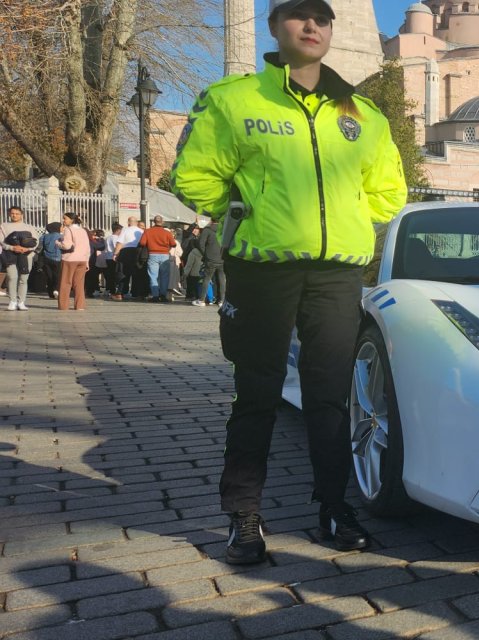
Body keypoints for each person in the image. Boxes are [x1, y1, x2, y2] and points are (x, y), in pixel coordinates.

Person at [172, 0, 408, 565]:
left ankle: (332, 506)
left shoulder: (364, 114)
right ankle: (244, 516)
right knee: (256, 393)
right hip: (263, 269)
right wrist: (246, 215)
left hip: (336, 273)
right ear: (274, 26)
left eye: (322, 18)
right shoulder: (235, 100)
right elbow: (192, 174)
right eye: (299, 16)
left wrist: (350, 218)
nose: (312, 26)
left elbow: (389, 191)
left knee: (330, 399)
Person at [1, 206, 39, 311]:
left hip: (26, 256)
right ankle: (12, 301)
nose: (14, 215)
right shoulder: (4, 226)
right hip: (10, 255)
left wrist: (26, 249)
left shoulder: (29, 227)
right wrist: (12, 247)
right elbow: (2, 241)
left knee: (23, 279)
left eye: (17, 213)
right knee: (12, 277)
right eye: (12, 213)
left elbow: (36, 241)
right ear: (9, 214)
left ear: (22, 215)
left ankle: (21, 301)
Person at [55, 213, 91, 311]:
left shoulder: (68, 229)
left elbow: (66, 246)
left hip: (69, 259)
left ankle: (63, 306)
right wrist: (87, 261)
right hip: (82, 259)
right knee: (79, 284)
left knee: (65, 283)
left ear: (71, 220)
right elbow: (88, 247)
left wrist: (58, 243)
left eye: (65, 218)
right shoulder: (83, 230)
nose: (63, 220)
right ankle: (80, 305)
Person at [138, 216, 177, 302]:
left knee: (153, 276)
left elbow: (142, 243)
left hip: (152, 255)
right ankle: (163, 295)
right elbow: (174, 244)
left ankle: (155, 295)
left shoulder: (147, 231)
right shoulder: (167, 232)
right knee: (165, 276)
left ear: (154, 222)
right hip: (165, 255)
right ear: (162, 222)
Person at [195, 220, 225, 307]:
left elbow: (201, 243)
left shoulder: (207, 230)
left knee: (206, 279)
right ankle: (221, 300)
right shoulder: (224, 230)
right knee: (222, 280)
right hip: (221, 259)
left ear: (211, 221)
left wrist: (205, 254)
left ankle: (202, 300)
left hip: (210, 259)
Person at [115, 216, 145, 300]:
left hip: (126, 252)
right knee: (137, 273)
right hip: (138, 251)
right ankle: (136, 293)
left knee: (124, 273)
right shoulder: (141, 231)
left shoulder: (125, 230)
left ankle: (121, 293)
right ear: (136, 223)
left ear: (128, 222)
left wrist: (116, 254)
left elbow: (120, 242)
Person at [38, 222, 63, 299]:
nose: (62, 228)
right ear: (57, 228)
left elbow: (39, 247)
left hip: (46, 258)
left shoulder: (44, 236)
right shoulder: (61, 236)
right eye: (61, 227)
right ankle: (56, 289)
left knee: (49, 276)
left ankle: (50, 292)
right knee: (57, 275)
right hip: (58, 258)